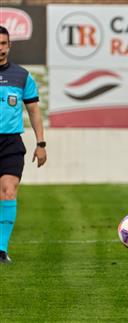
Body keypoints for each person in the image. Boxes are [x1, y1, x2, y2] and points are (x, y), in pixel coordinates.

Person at [0, 26, 47, 264]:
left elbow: (34, 111)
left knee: (9, 191)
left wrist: (41, 143)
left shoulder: (22, 76)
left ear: (9, 46)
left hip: (10, 142)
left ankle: (1, 249)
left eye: (3, 44)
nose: (0, 48)